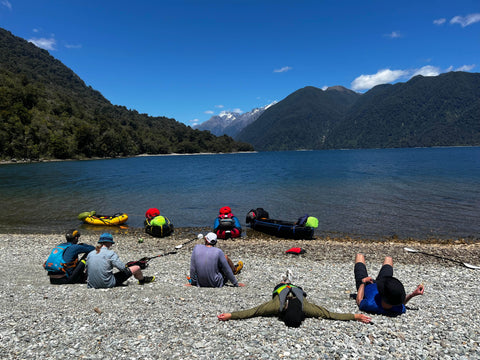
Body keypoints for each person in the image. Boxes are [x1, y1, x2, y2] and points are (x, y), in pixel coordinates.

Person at [218, 270, 371, 327]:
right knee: (287, 284)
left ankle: (286, 280)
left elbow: (253, 311)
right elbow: (331, 315)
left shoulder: (278, 306)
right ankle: (287, 280)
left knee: (283, 284)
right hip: (295, 290)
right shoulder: (304, 307)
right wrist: (355, 316)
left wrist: (231, 315)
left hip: (282, 289)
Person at [354, 253, 425, 316]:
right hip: (386, 285)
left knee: (359, 256)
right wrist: (412, 294)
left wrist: (363, 282)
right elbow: (401, 303)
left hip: (367, 285)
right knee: (389, 259)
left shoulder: (370, 304)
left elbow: (359, 300)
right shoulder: (397, 308)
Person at [86, 233, 155, 288]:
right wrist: (128, 266)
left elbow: (87, 270)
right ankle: (142, 280)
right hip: (107, 284)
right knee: (137, 267)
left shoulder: (90, 254)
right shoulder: (111, 253)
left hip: (92, 284)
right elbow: (122, 268)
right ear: (110, 243)